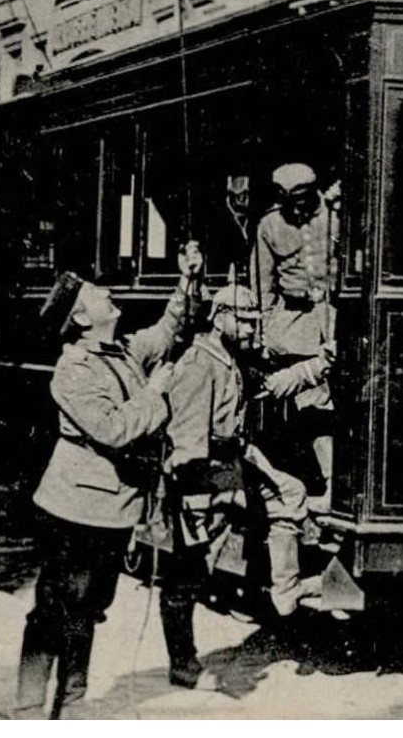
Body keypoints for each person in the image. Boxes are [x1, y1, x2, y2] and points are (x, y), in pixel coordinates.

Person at [15, 245, 202, 718]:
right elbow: (112, 428)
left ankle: (67, 701)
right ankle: (37, 706)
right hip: (74, 508)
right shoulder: (74, 369)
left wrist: (187, 281)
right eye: (98, 294)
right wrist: (157, 396)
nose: (109, 293)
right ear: (81, 317)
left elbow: (167, 331)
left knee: (90, 606)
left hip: (112, 508)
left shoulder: (121, 351)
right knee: (60, 606)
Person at [156, 283, 315, 666]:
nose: (249, 329)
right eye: (243, 321)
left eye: (252, 322)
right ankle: (182, 657)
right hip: (208, 470)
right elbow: (188, 438)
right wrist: (197, 498)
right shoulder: (198, 364)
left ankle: (285, 591)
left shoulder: (228, 357)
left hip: (237, 457)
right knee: (193, 568)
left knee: (289, 493)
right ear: (219, 317)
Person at [251, 162, 339, 513]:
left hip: (335, 317)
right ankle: (329, 483)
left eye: (303, 199)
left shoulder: (334, 215)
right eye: (288, 201)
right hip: (295, 325)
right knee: (312, 403)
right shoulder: (270, 225)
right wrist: (266, 332)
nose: (297, 208)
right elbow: (263, 283)